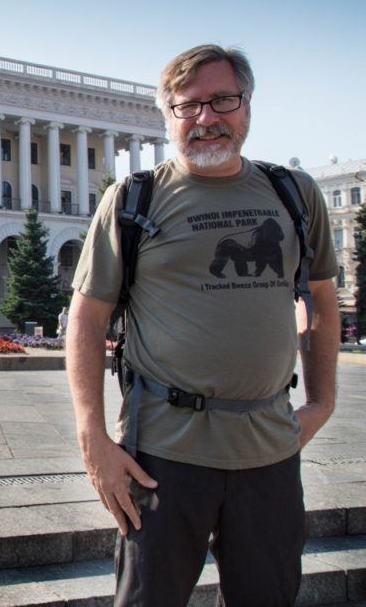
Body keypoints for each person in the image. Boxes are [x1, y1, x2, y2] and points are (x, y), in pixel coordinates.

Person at [66, 45, 338, 606]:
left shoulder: (294, 194)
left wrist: (324, 403)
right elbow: (88, 320)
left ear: (247, 107)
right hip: (163, 458)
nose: (206, 118)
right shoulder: (132, 200)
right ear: (167, 117)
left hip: (268, 453)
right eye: (187, 106)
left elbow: (321, 301)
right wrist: (93, 436)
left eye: (222, 101)